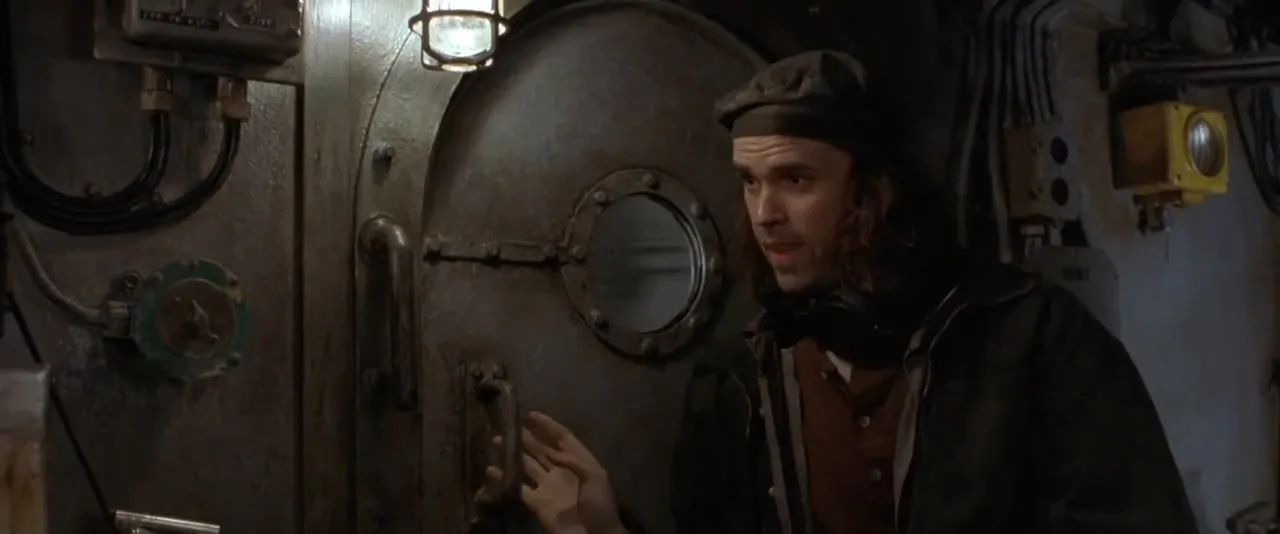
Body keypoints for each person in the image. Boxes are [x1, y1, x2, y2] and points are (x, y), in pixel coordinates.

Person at [490, 50, 1198, 534]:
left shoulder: (1030, 340)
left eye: (796, 180)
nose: (765, 213)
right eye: (749, 182)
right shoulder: (739, 385)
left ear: (872, 190)